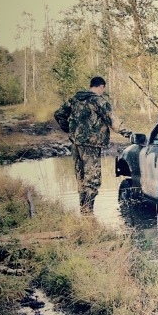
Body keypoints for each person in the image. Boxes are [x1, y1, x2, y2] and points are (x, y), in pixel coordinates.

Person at [54, 76, 131, 214]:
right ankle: (88, 213)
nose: (103, 91)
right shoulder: (98, 101)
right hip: (90, 146)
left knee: (81, 178)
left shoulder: (75, 99)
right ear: (101, 86)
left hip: (76, 144)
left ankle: (83, 211)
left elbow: (59, 114)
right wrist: (128, 134)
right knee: (92, 179)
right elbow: (112, 120)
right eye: (103, 88)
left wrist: (69, 129)